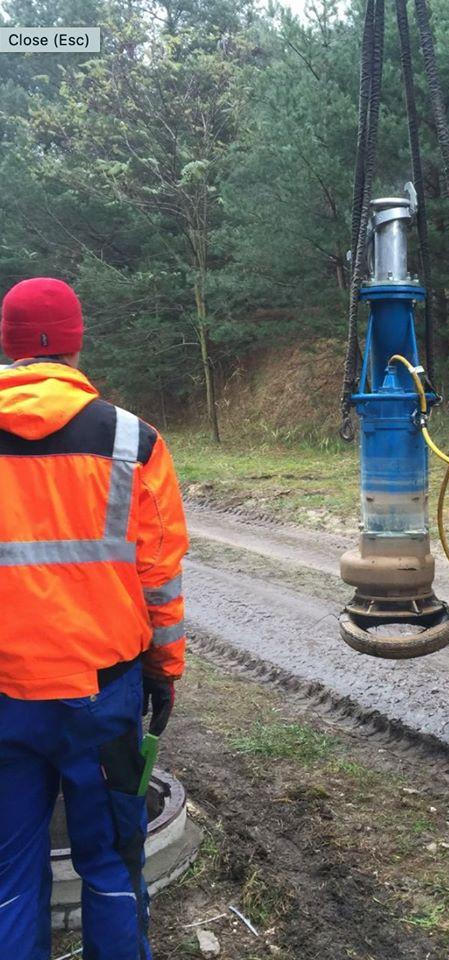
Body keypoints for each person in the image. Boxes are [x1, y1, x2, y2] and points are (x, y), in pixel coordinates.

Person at [0, 277, 189, 958]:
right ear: (77, 344)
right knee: (111, 865)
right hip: (102, 698)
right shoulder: (133, 441)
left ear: (8, 344)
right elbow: (159, 577)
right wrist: (163, 671)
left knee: (8, 876)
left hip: (5, 698)